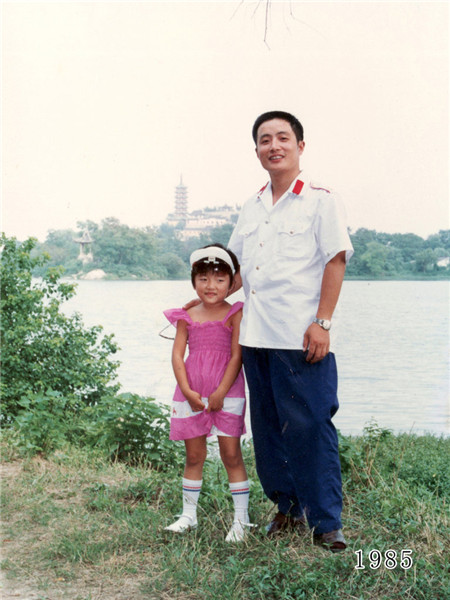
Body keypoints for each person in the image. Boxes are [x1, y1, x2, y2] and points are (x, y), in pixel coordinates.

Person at [227, 110, 354, 552]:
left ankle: (325, 522)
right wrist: (205, 300)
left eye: (283, 138)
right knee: (266, 429)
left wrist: (322, 322)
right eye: (265, 140)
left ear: (301, 146)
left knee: (311, 425)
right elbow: (237, 269)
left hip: (300, 337)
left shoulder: (322, 200)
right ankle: (287, 508)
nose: (274, 146)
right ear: (257, 150)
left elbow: (335, 260)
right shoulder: (251, 204)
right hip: (256, 336)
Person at [163, 243, 252, 542]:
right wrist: (187, 391)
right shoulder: (185, 315)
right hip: (191, 394)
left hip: (228, 392)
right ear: (193, 282)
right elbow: (177, 356)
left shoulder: (235, 313)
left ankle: (241, 521)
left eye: (219, 279)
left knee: (231, 454)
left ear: (231, 282)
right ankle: (188, 515)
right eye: (203, 279)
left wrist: (221, 392)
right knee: (194, 455)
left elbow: (237, 356)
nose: (210, 285)